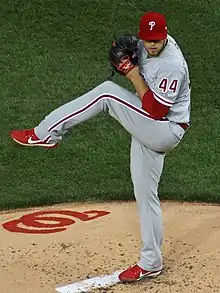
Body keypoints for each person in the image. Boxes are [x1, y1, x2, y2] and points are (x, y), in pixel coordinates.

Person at [10, 12, 191, 282]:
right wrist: (129, 57)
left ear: (166, 36)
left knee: (106, 92)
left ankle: (45, 132)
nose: (151, 45)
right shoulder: (144, 45)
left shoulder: (173, 64)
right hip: (149, 125)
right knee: (145, 194)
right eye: (147, 40)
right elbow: (138, 68)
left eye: (157, 40)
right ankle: (151, 261)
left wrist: (130, 73)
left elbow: (155, 109)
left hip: (164, 129)